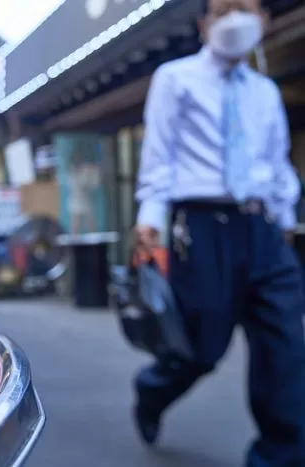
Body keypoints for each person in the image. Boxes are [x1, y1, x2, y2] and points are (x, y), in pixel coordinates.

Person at [133, 0, 305, 465]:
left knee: (286, 350)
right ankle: (151, 392)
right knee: (200, 349)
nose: (235, 19)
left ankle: (279, 455)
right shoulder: (175, 78)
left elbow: (276, 160)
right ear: (203, 24)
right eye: (223, 8)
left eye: (245, 8)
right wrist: (150, 217)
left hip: (264, 229)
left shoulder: (265, 91)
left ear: (265, 21)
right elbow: (160, 155)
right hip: (203, 230)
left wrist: (285, 221)